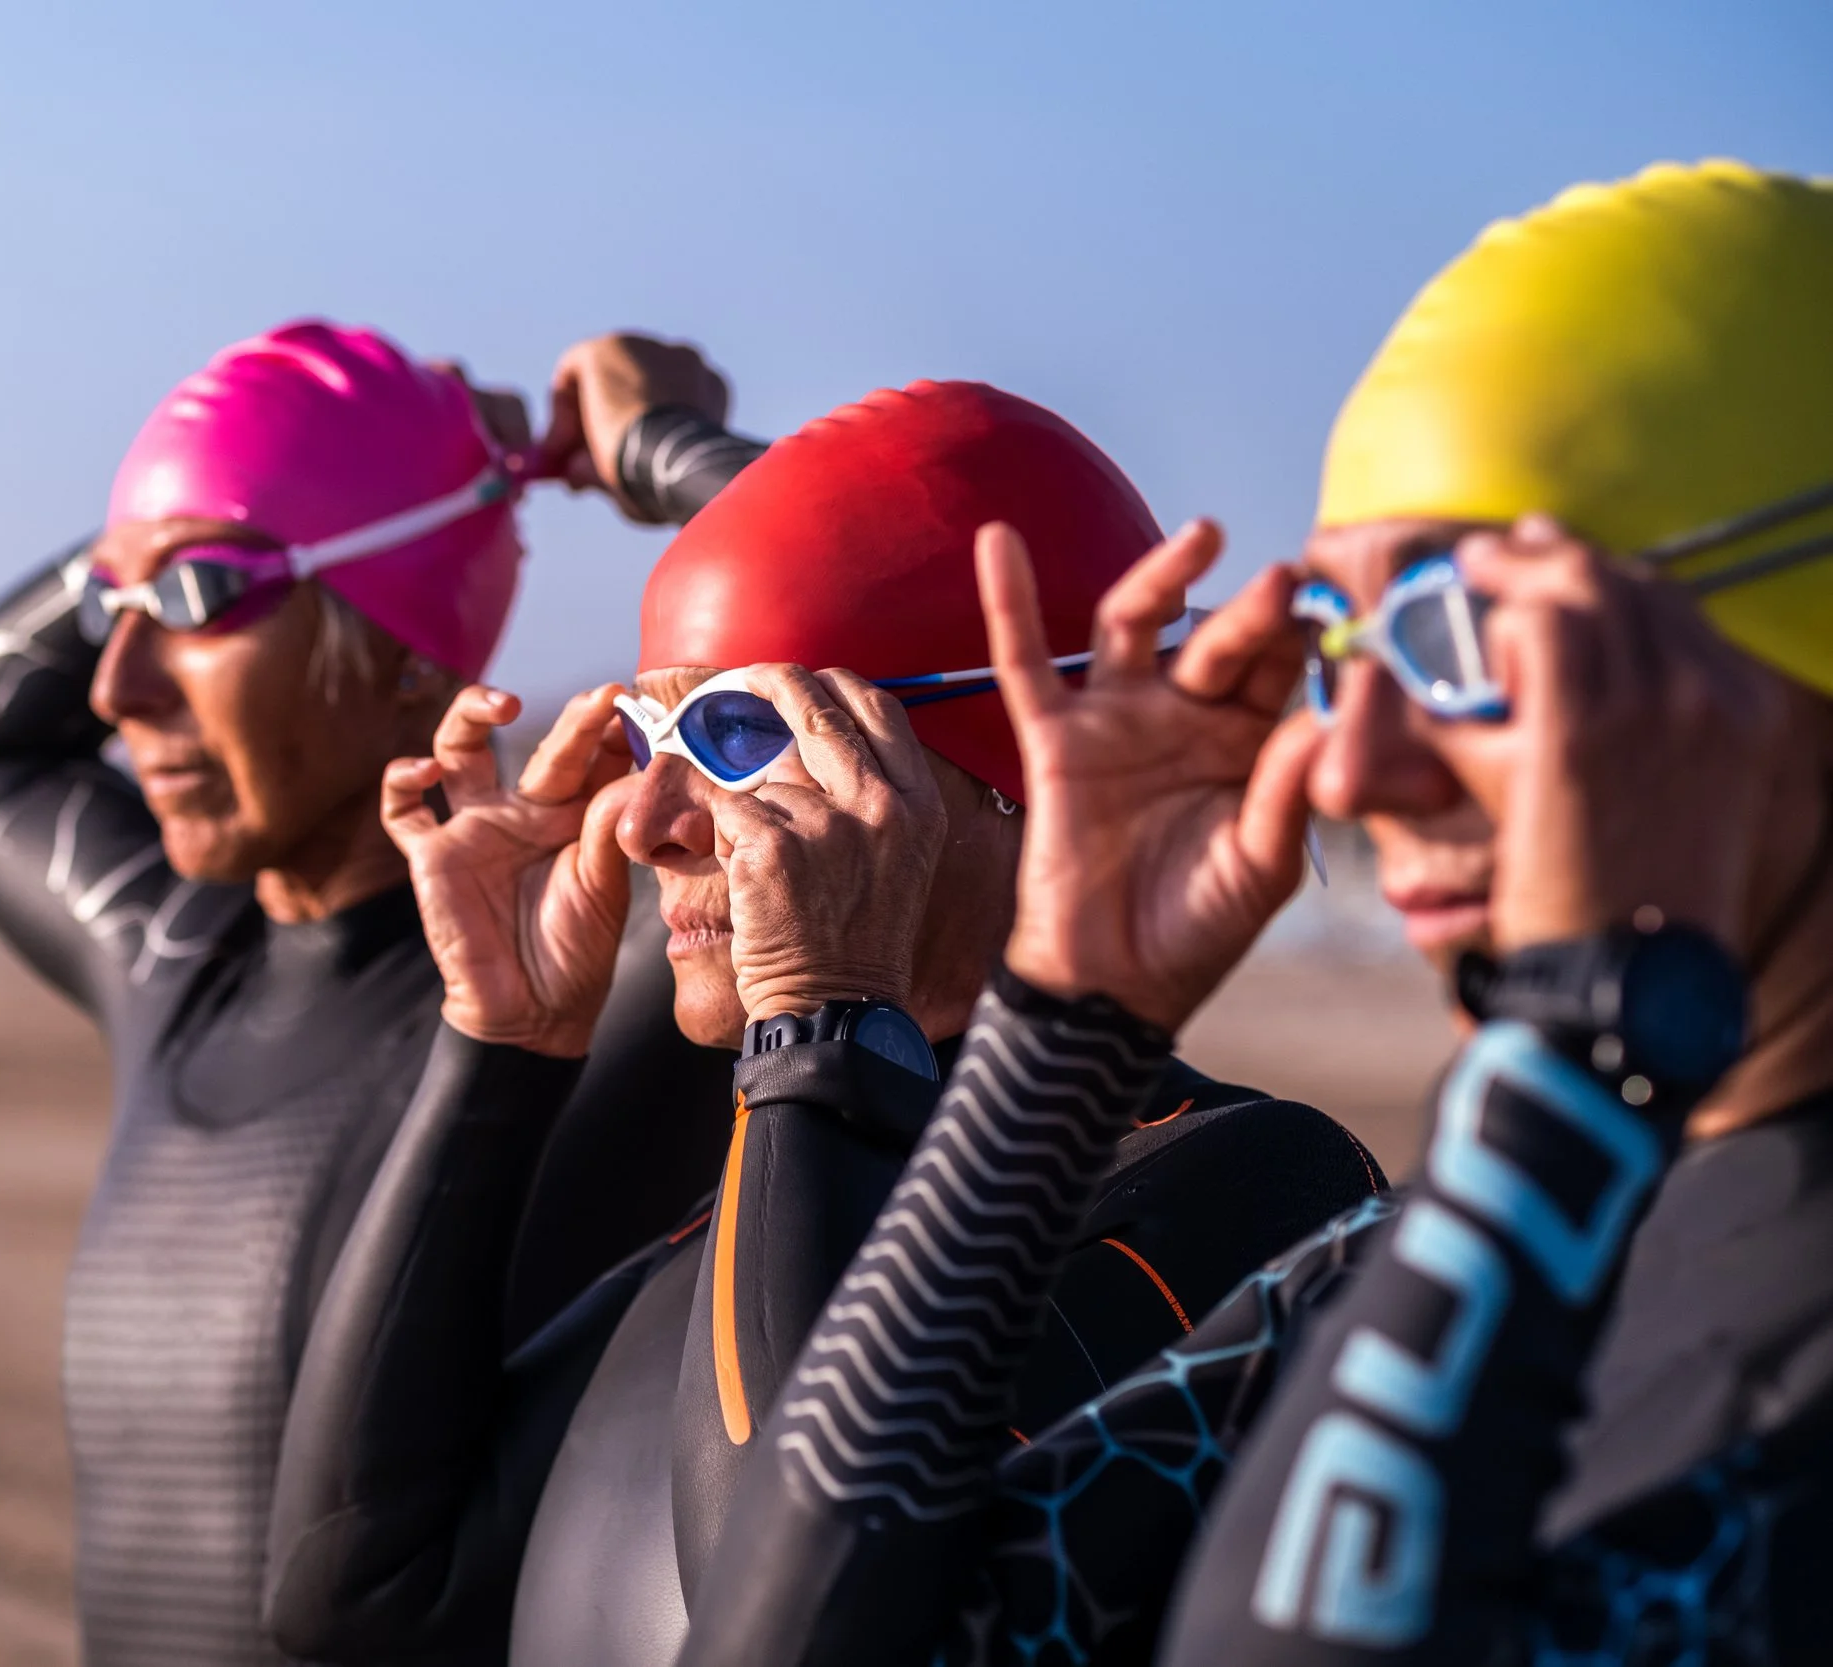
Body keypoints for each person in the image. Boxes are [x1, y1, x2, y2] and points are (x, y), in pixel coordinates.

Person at [681, 158, 1833, 1667]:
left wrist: (1582, 1031)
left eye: (1470, 633)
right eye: (1344, 647)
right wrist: (1067, 1026)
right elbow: (802, 1639)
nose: (1353, 763)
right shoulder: (1408, 1263)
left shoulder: (1497, 1224)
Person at [261, 381, 1384, 1667]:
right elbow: (350, 1589)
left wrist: (821, 1022)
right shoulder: (773, 1200)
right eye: (646, 734)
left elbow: (792, 1631)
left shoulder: (1259, 1193)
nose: (642, 819)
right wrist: (496, 1054)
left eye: (737, 731)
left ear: (1009, 769)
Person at [0, 320, 740, 1666]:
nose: (118, 688)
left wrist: (670, 455)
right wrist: (169, 535)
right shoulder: (178, 960)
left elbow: (937, 684)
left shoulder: (578, 993)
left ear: (412, 651)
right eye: (115, 616)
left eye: (193, 605)